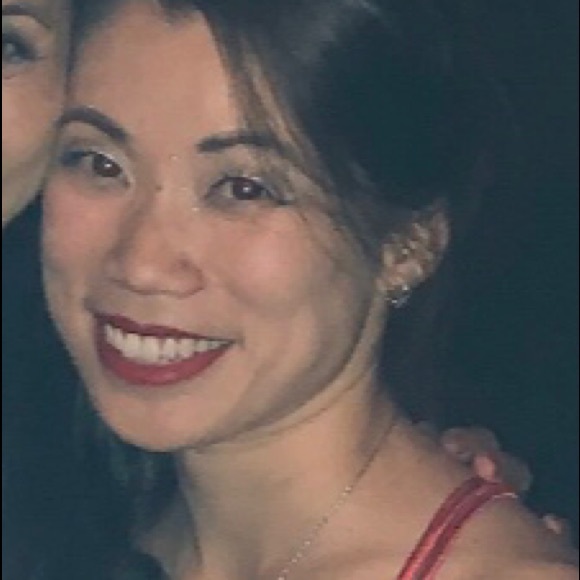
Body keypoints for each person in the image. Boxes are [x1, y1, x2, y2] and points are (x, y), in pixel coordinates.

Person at [41, 0, 578, 578]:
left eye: (244, 188)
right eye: (99, 163)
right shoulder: (63, 516)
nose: (141, 264)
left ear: (405, 246)